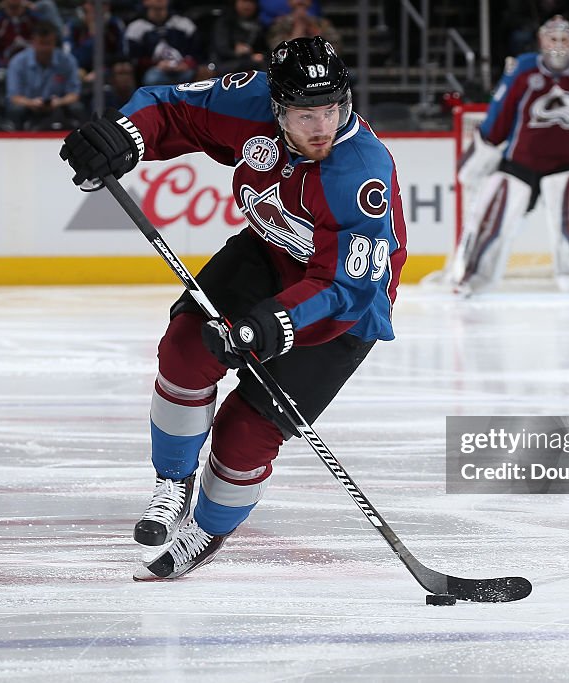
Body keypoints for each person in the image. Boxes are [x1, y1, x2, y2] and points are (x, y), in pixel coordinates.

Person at [58, 36, 407, 580]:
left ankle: (208, 527)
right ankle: (173, 483)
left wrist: (274, 324)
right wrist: (124, 136)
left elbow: (346, 285)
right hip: (270, 251)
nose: (322, 127)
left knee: (246, 432)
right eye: (305, 114)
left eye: (333, 110)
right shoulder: (249, 102)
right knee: (184, 349)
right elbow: (169, 106)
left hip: (339, 307)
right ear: (276, 106)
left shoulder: (359, 171)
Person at [448, 16, 569, 295]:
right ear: (541, 40)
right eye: (553, 38)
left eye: (564, 39)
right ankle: (468, 277)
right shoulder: (524, 69)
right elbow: (500, 114)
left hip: (566, 163)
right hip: (519, 161)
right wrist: (484, 146)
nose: (558, 45)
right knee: (489, 221)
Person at [6, 21, 84, 130]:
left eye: (48, 43)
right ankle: (16, 141)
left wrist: (59, 102)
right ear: (33, 41)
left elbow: (74, 94)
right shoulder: (18, 62)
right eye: (41, 43)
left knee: (77, 108)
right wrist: (31, 103)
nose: (45, 48)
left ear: (55, 42)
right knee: (15, 110)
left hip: (58, 105)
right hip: (29, 106)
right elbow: (14, 97)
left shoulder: (67, 61)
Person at [124, 0, 202, 86]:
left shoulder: (184, 24)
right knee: (152, 78)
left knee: (203, 73)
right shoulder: (136, 27)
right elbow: (135, 59)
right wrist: (156, 64)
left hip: (183, 69)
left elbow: (197, 53)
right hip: (153, 71)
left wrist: (186, 64)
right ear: (145, 2)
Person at [267, 0, 341, 50]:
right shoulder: (280, 24)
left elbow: (337, 49)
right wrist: (298, 29)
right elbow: (276, 50)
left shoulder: (322, 23)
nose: (300, 0)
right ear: (289, 2)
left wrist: (318, 37)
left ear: (311, 2)